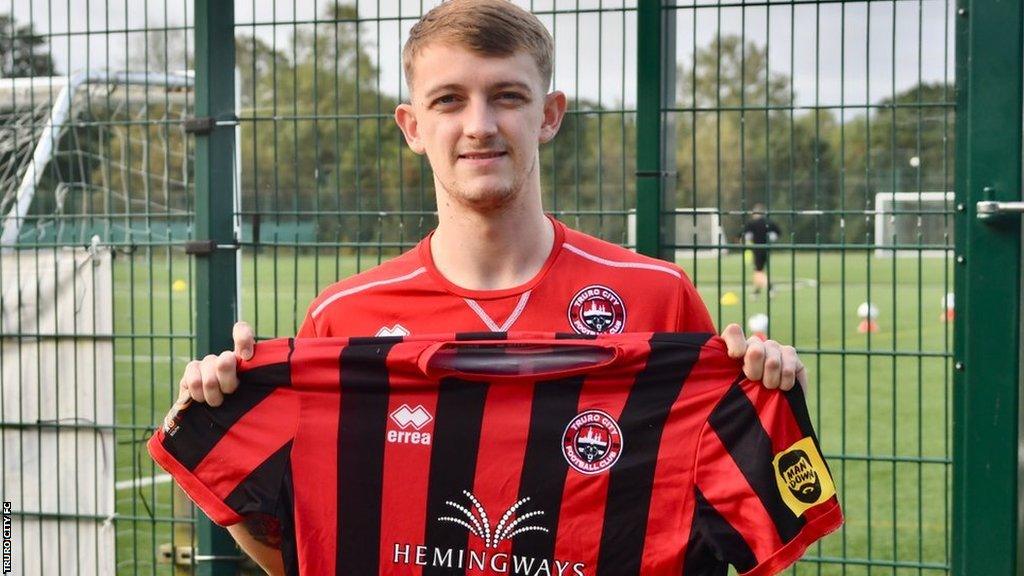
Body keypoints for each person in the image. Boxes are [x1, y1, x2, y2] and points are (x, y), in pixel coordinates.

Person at [169, 1, 806, 572]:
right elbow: (302, 548)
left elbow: (735, 514)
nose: (480, 124)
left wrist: (770, 400)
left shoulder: (656, 296)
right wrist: (223, 423)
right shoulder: (344, 318)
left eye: (507, 96)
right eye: (448, 100)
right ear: (412, 126)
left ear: (549, 115)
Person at [741, 203, 781, 299]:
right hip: (767, 249)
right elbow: (778, 232)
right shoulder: (769, 222)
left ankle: (771, 287)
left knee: (758, 271)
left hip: (757, 249)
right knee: (759, 270)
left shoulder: (752, 223)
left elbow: (744, 235)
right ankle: (756, 292)